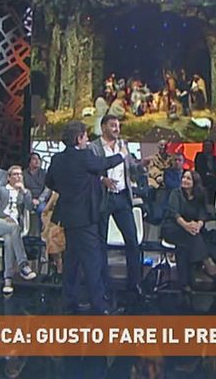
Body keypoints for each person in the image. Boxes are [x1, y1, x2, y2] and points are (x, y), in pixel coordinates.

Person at [46, 120, 126, 314]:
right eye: (85, 136)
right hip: (85, 218)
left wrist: (69, 190)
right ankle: (99, 306)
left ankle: (70, 303)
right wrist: (122, 154)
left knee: (71, 262)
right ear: (78, 138)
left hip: (69, 218)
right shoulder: (84, 156)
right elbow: (104, 163)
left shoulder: (57, 159)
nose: (88, 140)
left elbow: (50, 182)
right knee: (93, 262)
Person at [88, 115, 146, 298]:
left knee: (132, 240)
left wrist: (142, 165)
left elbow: (132, 169)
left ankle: (134, 284)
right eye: (113, 126)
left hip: (122, 197)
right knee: (101, 243)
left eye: (118, 126)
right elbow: (88, 171)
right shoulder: (93, 147)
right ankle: (103, 286)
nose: (116, 129)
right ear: (103, 127)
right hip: (103, 198)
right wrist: (101, 179)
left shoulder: (123, 145)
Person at [161, 170, 216, 292]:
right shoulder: (176, 193)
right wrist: (186, 225)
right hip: (173, 227)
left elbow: (203, 213)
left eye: (188, 178)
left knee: (186, 246)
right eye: (184, 178)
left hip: (191, 229)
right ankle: (207, 265)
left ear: (195, 182)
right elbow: (174, 213)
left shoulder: (200, 195)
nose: (184, 180)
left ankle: (185, 282)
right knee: (193, 237)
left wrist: (198, 225)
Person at [0, 165, 36, 294]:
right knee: (14, 227)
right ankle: (23, 265)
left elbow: (30, 208)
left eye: (20, 174)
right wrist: (6, 217)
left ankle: (8, 280)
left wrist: (24, 191)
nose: (18, 176)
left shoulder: (25, 192)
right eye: (15, 174)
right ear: (8, 177)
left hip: (12, 229)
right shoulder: (0, 190)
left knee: (9, 240)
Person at [194, 139, 216, 206]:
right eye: (206, 145)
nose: (208, 147)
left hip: (213, 183)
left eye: (209, 145)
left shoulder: (215, 158)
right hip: (202, 182)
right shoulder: (199, 156)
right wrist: (207, 174)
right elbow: (198, 168)